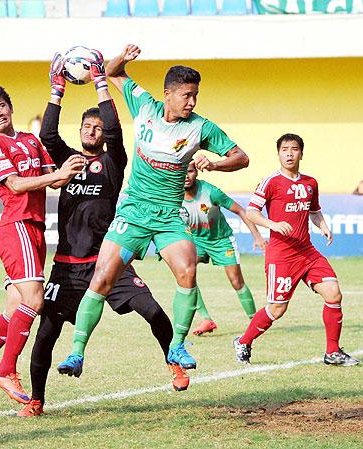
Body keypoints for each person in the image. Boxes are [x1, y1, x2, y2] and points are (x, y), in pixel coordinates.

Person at [57, 44, 249, 379]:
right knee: (101, 279)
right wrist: (122, 58)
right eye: (186, 95)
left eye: (195, 96)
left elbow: (242, 157)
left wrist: (215, 164)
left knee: (187, 272)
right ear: (168, 94)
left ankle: (177, 345)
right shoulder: (144, 104)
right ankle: (76, 353)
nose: (191, 102)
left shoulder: (201, 128)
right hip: (132, 212)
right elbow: (112, 72)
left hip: (168, 216)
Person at [18, 51, 186, 417]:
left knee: (153, 312)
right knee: (46, 334)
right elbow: (47, 134)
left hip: (109, 260)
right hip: (66, 268)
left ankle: (172, 360)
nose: (93, 132)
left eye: (97, 129)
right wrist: (56, 91)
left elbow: (114, 129)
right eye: (87, 128)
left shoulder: (113, 162)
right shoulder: (67, 160)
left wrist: (99, 85)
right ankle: (37, 400)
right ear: (80, 133)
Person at [0, 85, 85, 404]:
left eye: (1, 106)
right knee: (35, 300)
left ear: (10, 108)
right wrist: (57, 175)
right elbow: (14, 184)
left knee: (16, 309)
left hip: (36, 230)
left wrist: (76, 168)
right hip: (17, 227)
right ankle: (5, 370)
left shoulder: (30, 139)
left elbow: (54, 179)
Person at [233, 133, 360, 366]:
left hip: (307, 251)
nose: (289, 153)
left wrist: (324, 226)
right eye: (284, 149)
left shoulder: (310, 183)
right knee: (277, 309)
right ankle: (243, 341)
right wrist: (272, 224)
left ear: (302, 153)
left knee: (333, 292)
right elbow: (251, 212)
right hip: (281, 255)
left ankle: (332, 352)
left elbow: (314, 210)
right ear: (278, 153)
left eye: (294, 149)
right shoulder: (271, 181)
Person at [181, 162, 267, 335]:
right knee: (184, 274)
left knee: (236, 281)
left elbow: (241, 211)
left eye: (189, 171)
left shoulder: (210, 192)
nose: (186, 176)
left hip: (221, 240)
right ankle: (206, 319)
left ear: (196, 172)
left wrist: (257, 236)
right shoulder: (172, 195)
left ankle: (255, 321)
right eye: (182, 171)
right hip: (196, 240)